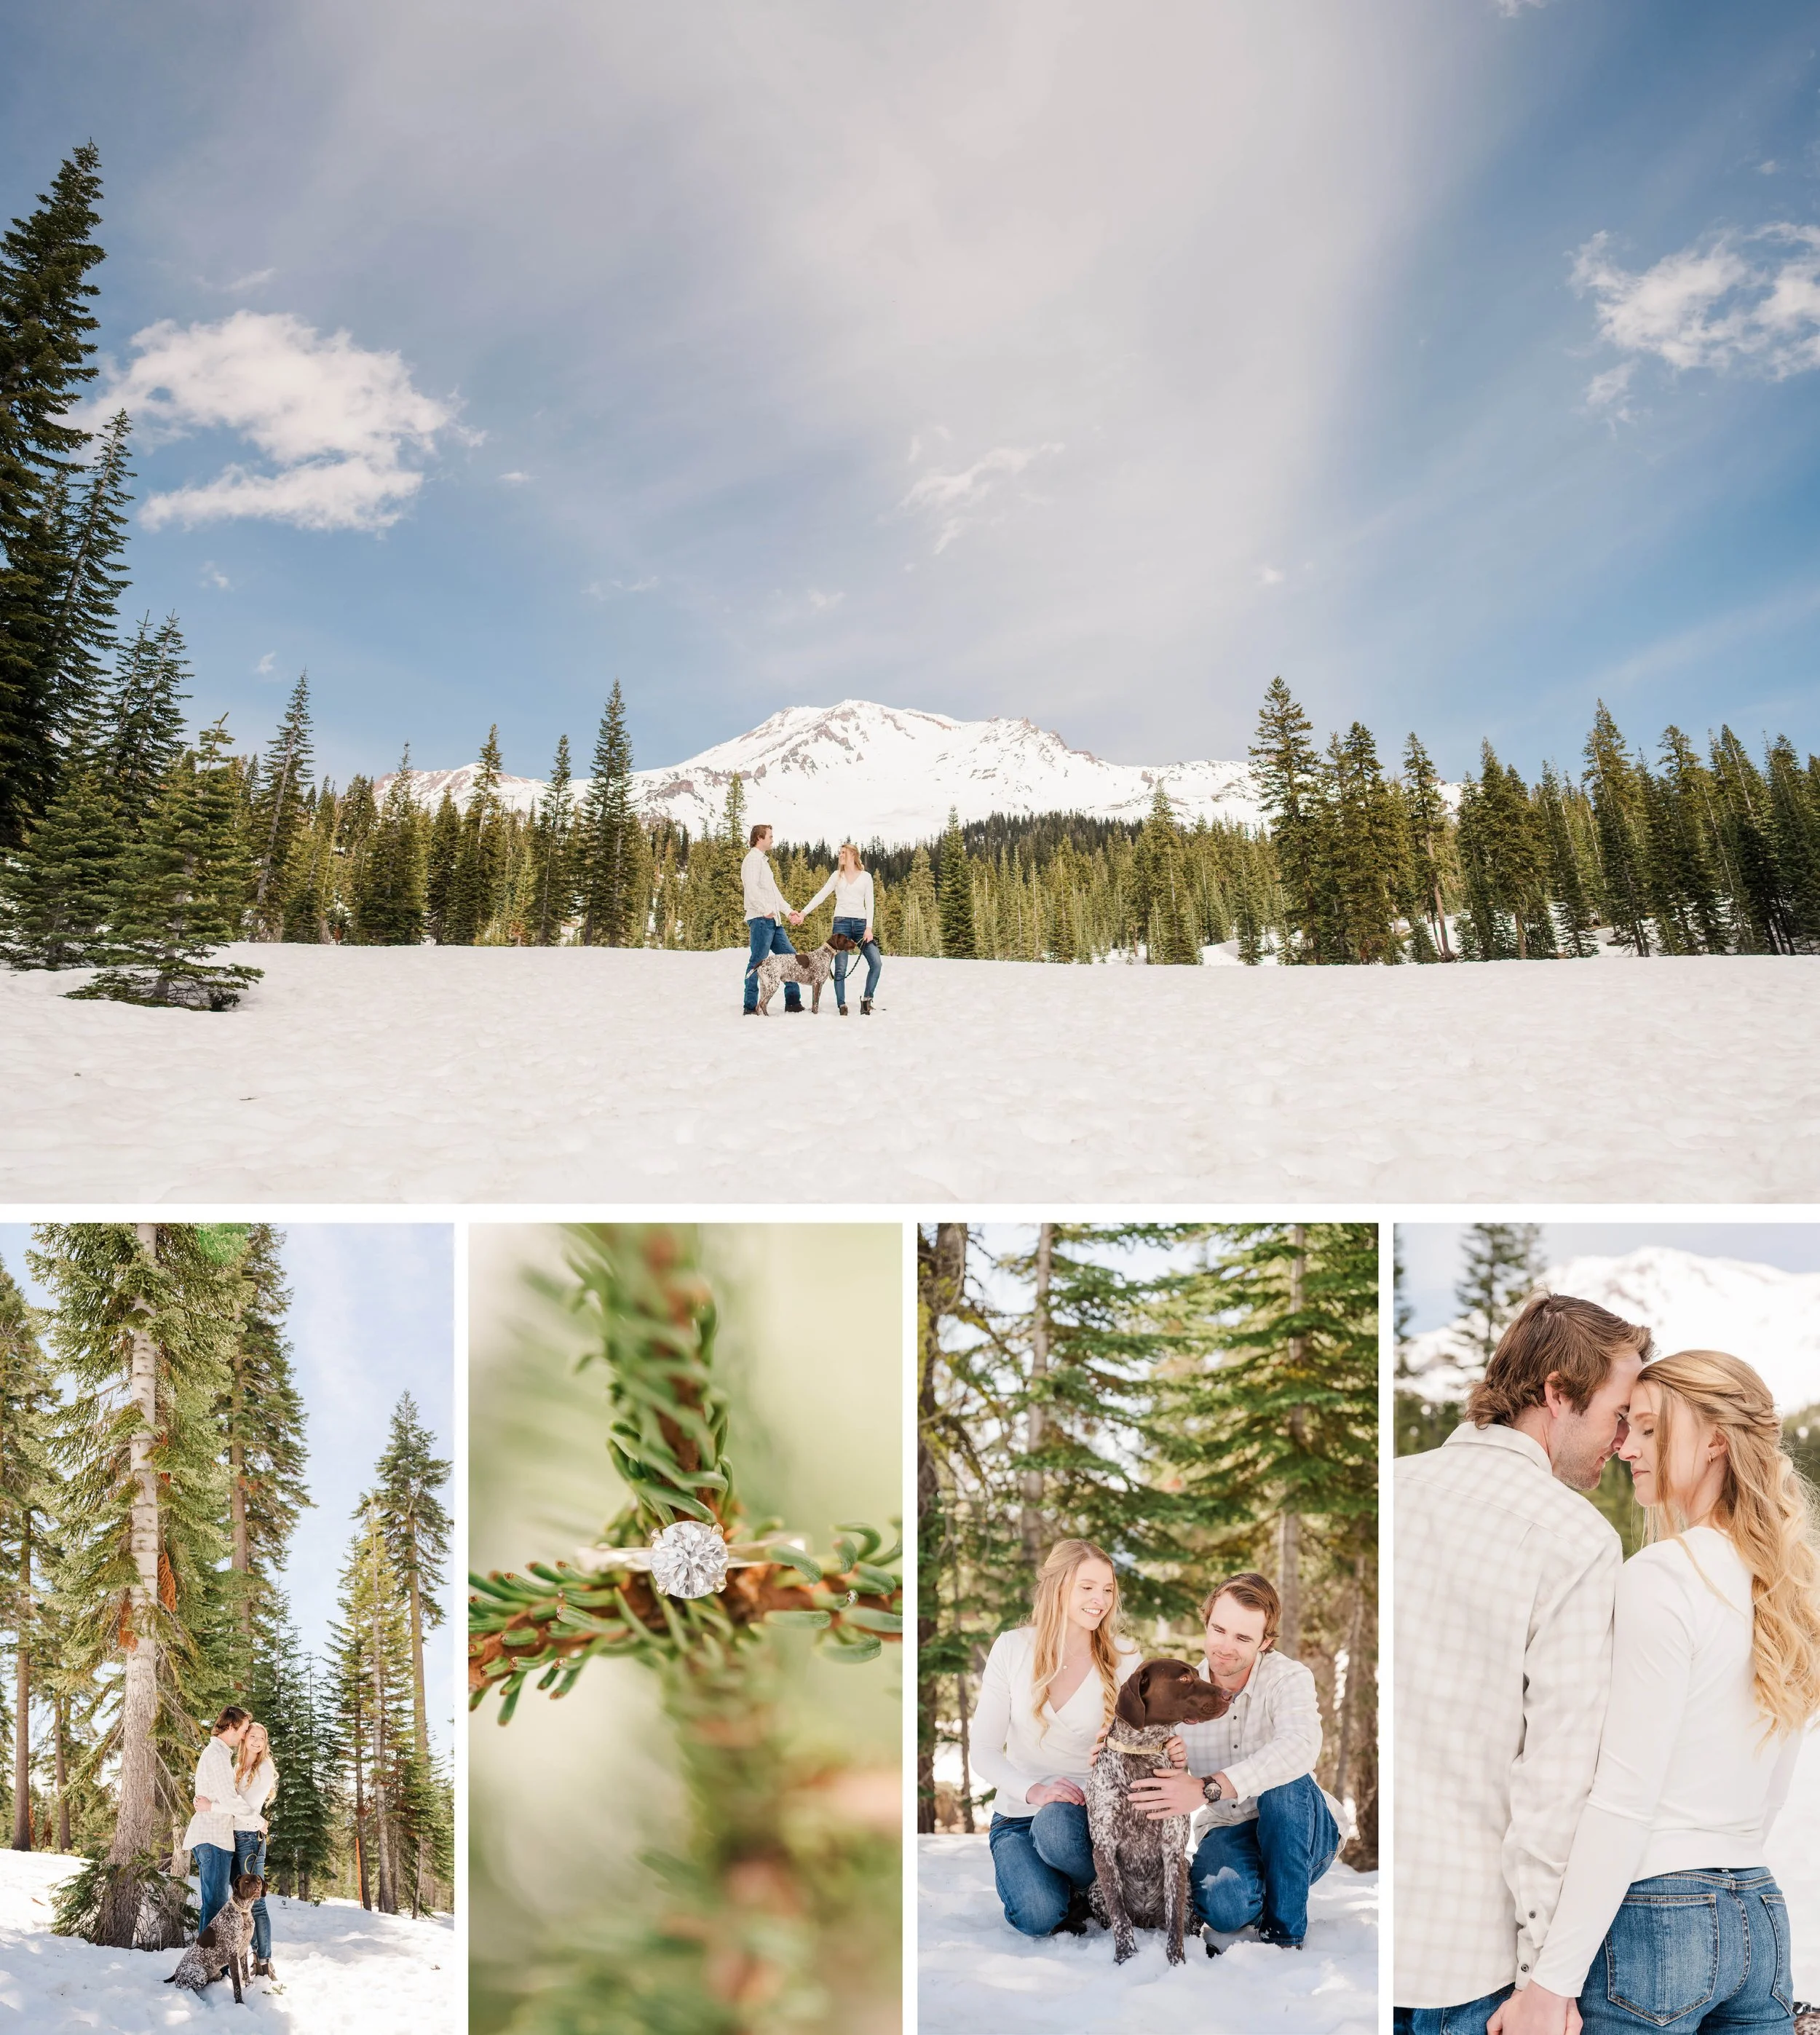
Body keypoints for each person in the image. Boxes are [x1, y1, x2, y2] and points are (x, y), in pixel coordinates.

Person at [1492, 1349, 1820, 2035]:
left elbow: (1623, 1797)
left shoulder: (1662, 1575)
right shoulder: (1788, 1587)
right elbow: (1773, 1789)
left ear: (1715, 1442)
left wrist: (1551, 1983)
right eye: (1626, 1428)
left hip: (1657, 1918)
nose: (1625, 1448)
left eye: (1647, 1429)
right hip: (1759, 1914)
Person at [1394, 1294, 1653, 2035]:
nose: (1623, 1439)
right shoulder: (1574, 1536)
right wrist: (1548, 1976)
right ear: (1557, 1394)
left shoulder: (1395, 1482)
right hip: (1470, 1962)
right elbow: (1556, 1773)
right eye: (1617, 1413)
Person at [1133, 1571, 1345, 1949]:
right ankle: (1268, 1890)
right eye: (1219, 1629)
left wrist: (1208, 1786)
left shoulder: (1289, 1677)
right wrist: (1118, 1745)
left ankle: (1284, 1934)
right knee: (1225, 1907)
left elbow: (1300, 1745)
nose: (1225, 1647)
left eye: (1243, 1637)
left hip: (1299, 1824)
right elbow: (1156, 1758)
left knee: (1283, 1782)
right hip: (1229, 1824)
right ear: (1207, 1622)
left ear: (1265, 1642)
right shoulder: (1180, 1691)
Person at [970, 1538, 1141, 1936]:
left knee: (1056, 1826)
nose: (1100, 1600)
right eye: (1087, 1588)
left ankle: (1094, 1888)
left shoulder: (1123, 1656)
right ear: (1057, 1585)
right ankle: (1069, 1895)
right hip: (1017, 1815)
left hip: (1090, 1820)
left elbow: (1144, 1746)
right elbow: (983, 1752)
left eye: (1108, 1590)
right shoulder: (1012, 1649)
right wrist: (1035, 1791)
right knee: (1036, 1915)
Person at [180, 1704, 257, 1935]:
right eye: (243, 1730)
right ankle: (206, 1966)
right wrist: (258, 1821)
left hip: (213, 1838)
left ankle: (206, 1965)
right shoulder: (217, 1756)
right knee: (214, 1906)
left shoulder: (218, 1754)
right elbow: (231, 1801)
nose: (244, 1735)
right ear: (232, 1726)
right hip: (213, 1839)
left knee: (213, 1904)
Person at [796, 842, 882, 1014]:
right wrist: (804, 913)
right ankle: (842, 1005)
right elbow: (821, 895)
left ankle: (867, 999)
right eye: (840, 853)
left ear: (853, 855)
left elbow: (870, 904)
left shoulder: (866, 877)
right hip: (841, 924)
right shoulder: (837, 876)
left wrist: (869, 928)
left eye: (844, 853)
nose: (840, 855)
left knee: (876, 963)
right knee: (840, 968)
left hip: (861, 925)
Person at [232, 1719, 280, 1979]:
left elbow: (246, 1804)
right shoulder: (238, 1766)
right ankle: (248, 1956)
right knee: (241, 1902)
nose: (257, 1741)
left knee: (256, 1902)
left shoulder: (265, 1768)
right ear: (244, 1737)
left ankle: (264, 1962)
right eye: (253, 1735)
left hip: (250, 1837)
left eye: (262, 1737)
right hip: (235, 1836)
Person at [741, 823, 804, 1016]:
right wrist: (764, 910)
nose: (772, 839)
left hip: (774, 921)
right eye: (770, 836)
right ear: (759, 838)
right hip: (761, 920)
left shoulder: (763, 862)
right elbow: (751, 888)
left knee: (791, 958)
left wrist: (788, 911)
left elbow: (774, 894)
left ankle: (793, 1002)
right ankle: (750, 1006)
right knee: (758, 962)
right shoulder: (752, 860)